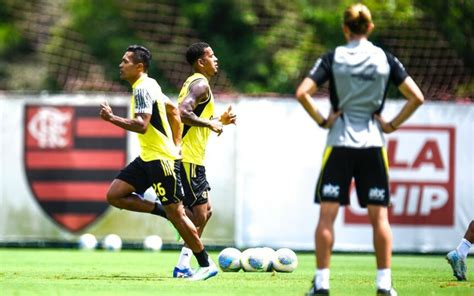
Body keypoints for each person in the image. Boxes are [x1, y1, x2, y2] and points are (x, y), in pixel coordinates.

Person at [295, 4, 424, 296]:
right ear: (370, 28)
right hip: (373, 144)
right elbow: (417, 97)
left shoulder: (334, 58)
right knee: (380, 218)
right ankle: (383, 285)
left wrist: (322, 121)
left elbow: (302, 92)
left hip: (339, 143)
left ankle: (323, 284)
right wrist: (391, 125)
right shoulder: (385, 59)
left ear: (345, 28)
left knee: (327, 217)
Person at [99, 44, 218, 281]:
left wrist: (112, 118)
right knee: (115, 195)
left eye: (125, 61)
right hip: (147, 158)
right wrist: (177, 143)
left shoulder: (143, 89)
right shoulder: (151, 84)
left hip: (161, 160)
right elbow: (174, 110)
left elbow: (142, 125)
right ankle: (162, 210)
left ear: (139, 66)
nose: (120, 65)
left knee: (184, 215)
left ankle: (205, 264)